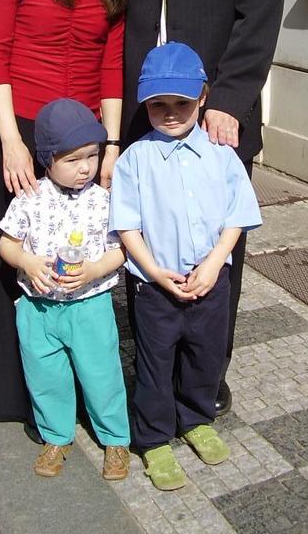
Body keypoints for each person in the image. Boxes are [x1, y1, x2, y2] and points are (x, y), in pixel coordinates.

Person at [110, 0, 284, 415]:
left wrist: (228, 102)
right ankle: (152, 373)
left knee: (216, 253)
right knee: (142, 245)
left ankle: (205, 379)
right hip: (141, 112)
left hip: (214, 117)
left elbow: (258, 15)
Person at [0, 0, 128, 441]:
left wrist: (111, 144)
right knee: (20, 253)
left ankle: (89, 385)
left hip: (86, 138)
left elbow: (112, 67)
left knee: (84, 244)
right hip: (22, 128)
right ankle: (23, 394)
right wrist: (11, 142)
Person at [109, 42, 261, 490]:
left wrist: (214, 264)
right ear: (145, 104)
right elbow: (127, 225)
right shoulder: (135, 159)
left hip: (211, 280)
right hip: (156, 287)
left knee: (204, 356)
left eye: (182, 103)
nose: (171, 113)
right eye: (159, 105)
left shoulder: (221, 153)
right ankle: (154, 437)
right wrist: (153, 271)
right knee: (155, 363)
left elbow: (237, 215)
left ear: (203, 97)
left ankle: (195, 418)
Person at [0, 98, 130, 480]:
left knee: (101, 374)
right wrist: (26, 261)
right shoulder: (30, 198)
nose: (85, 167)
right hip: (38, 308)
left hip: (90, 305)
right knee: (45, 375)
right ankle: (56, 435)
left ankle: (116, 440)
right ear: (47, 159)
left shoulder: (104, 200)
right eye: (72, 160)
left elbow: (121, 249)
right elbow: (6, 243)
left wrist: (95, 269)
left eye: (92, 155)